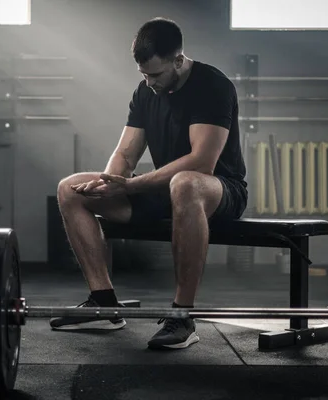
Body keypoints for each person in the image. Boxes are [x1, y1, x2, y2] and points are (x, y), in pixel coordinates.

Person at [50, 17, 248, 350]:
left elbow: (202, 162)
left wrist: (128, 187)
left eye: (156, 74)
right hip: (165, 190)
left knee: (185, 182)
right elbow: (126, 155)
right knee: (70, 188)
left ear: (179, 61)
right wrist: (109, 181)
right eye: (143, 75)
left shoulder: (212, 85)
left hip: (220, 189)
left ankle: (182, 316)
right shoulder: (145, 91)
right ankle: (103, 302)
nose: (149, 82)